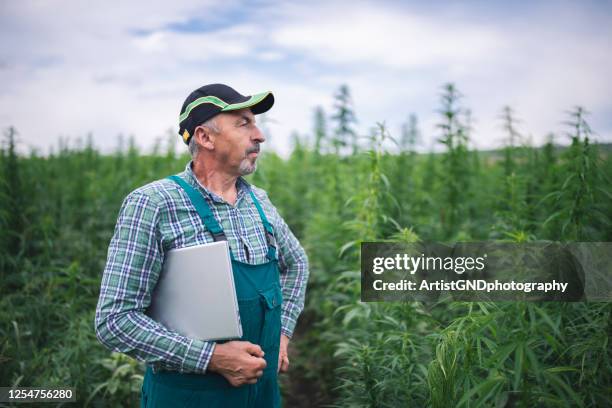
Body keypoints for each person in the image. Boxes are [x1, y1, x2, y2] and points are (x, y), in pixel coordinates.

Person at [95, 84, 309, 407]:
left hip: (261, 395)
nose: (260, 135)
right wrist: (211, 357)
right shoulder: (153, 204)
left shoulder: (259, 202)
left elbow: (297, 264)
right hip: (189, 396)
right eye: (244, 123)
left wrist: (282, 333)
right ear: (205, 138)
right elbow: (114, 320)